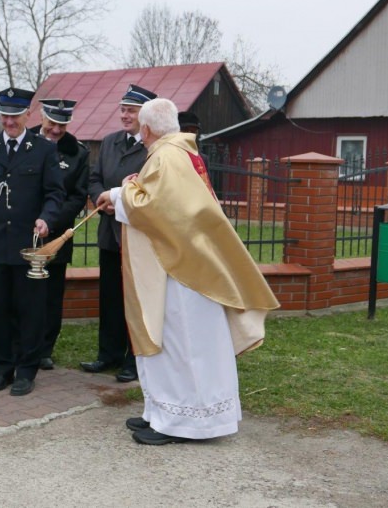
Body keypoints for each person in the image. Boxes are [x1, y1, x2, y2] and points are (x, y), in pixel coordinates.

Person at [99, 97, 279, 445]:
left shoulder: (167, 156)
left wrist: (116, 193)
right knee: (178, 345)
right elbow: (162, 199)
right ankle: (160, 414)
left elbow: (154, 207)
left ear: (147, 129)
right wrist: (128, 189)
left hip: (182, 274)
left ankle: (182, 424)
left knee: (183, 346)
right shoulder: (180, 152)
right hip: (188, 264)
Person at [0, 87, 65, 396]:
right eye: (4, 116)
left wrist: (47, 217)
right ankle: (2, 368)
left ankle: (26, 370)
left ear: (27, 116)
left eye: (15, 116)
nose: (9, 122)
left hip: (28, 246)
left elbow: (55, 193)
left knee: (30, 310)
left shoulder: (43, 149)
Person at [82, 84, 156, 382]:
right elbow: (94, 178)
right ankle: (108, 354)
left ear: (145, 114)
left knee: (134, 300)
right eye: (122, 109)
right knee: (109, 296)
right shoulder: (110, 142)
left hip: (136, 235)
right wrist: (103, 196)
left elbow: (151, 190)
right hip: (109, 234)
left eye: (131, 110)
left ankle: (133, 358)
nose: (125, 115)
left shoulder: (154, 147)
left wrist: (119, 200)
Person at [29, 98, 89, 370]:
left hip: (56, 235)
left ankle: (44, 349)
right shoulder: (24, 140)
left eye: (62, 125)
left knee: (51, 296)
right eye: (52, 123)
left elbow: (77, 197)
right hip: (23, 231)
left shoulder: (77, 152)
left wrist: (50, 222)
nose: (56, 130)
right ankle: (21, 342)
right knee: (23, 292)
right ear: (42, 118)